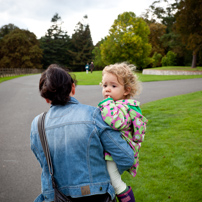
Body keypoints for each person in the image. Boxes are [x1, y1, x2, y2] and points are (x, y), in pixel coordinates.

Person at [30, 64, 134, 202]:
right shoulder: (94, 115)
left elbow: (44, 161)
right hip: (95, 195)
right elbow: (126, 157)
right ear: (72, 88)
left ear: (46, 98)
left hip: (54, 196)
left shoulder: (37, 124)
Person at [98, 63, 148, 202]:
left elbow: (116, 122)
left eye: (113, 86)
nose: (107, 89)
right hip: (113, 151)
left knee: (115, 182)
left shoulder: (125, 107)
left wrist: (106, 104)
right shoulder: (116, 104)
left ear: (126, 90)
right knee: (108, 181)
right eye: (105, 85)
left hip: (117, 152)